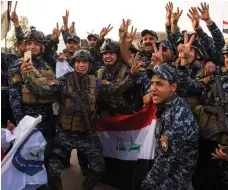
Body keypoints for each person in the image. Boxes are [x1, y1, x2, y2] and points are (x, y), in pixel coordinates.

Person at [22, 49, 136, 189]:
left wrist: (131, 75)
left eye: (85, 62)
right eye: (78, 62)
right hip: (65, 134)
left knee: (99, 169)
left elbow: (118, 89)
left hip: (87, 134)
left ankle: (87, 185)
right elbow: (42, 91)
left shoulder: (97, 83)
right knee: (53, 171)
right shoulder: (64, 81)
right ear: (74, 63)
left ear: (90, 65)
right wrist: (26, 78)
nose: (81, 65)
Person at [141, 64, 199, 189]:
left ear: (173, 87)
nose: (153, 88)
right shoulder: (167, 105)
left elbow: (166, 160)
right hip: (168, 168)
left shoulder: (177, 116)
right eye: (152, 83)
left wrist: (146, 185)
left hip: (177, 175)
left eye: (159, 84)